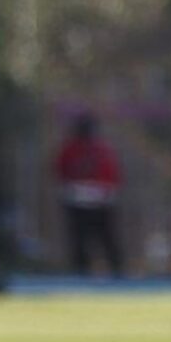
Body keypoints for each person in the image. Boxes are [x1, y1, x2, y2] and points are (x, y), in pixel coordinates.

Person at [54, 111, 123, 276]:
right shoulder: (70, 149)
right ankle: (81, 271)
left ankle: (116, 270)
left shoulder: (101, 149)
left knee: (106, 237)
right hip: (77, 200)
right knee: (79, 239)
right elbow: (60, 171)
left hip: (100, 201)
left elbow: (112, 174)